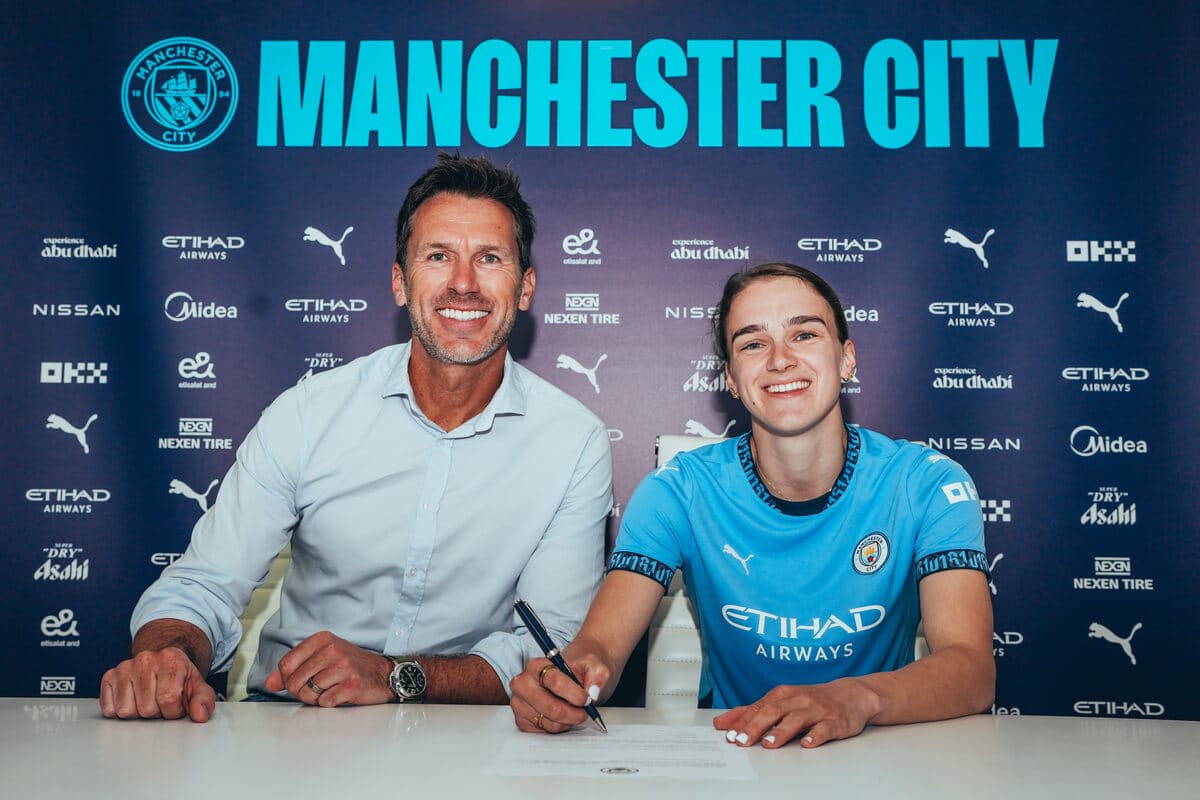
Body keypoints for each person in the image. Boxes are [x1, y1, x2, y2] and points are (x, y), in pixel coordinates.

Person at [100, 154, 613, 722]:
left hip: (463, 735)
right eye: (438, 256)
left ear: (525, 288)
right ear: (400, 282)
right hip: (291, 724)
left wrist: (395, 677)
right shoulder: (309, 413)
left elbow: (548, 647)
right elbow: (204, 584)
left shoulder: (572, 443)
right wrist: (167, 656)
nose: (463, 283)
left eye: (489, 259)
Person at [510, 262, 993, 747]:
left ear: (847, 358)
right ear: (732, 379)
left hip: (880, 754)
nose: (780, 359)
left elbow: (971, 670)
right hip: (735, 760)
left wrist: (854, 699)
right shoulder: (677, 490)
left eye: (804, 334)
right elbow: (601, 648)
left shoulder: (928, 484)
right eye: (754, 343)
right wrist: (572, 675)